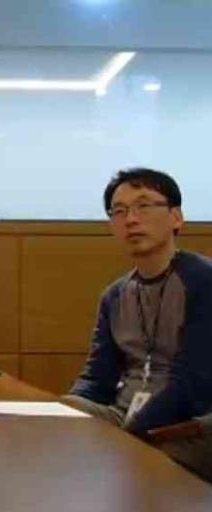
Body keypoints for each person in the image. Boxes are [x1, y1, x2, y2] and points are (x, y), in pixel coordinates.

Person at [64, 168, 212, 482]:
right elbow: (96, 379)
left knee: (132, 466)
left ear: (176, 217)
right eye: (119, 211)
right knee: (51, 425)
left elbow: (194, 385)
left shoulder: (203, 281)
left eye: (144, 206)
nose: (131, 219)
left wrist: (127, 436)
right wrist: (67, 411)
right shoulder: (115, 296)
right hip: (126, 417)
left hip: (190, 422)